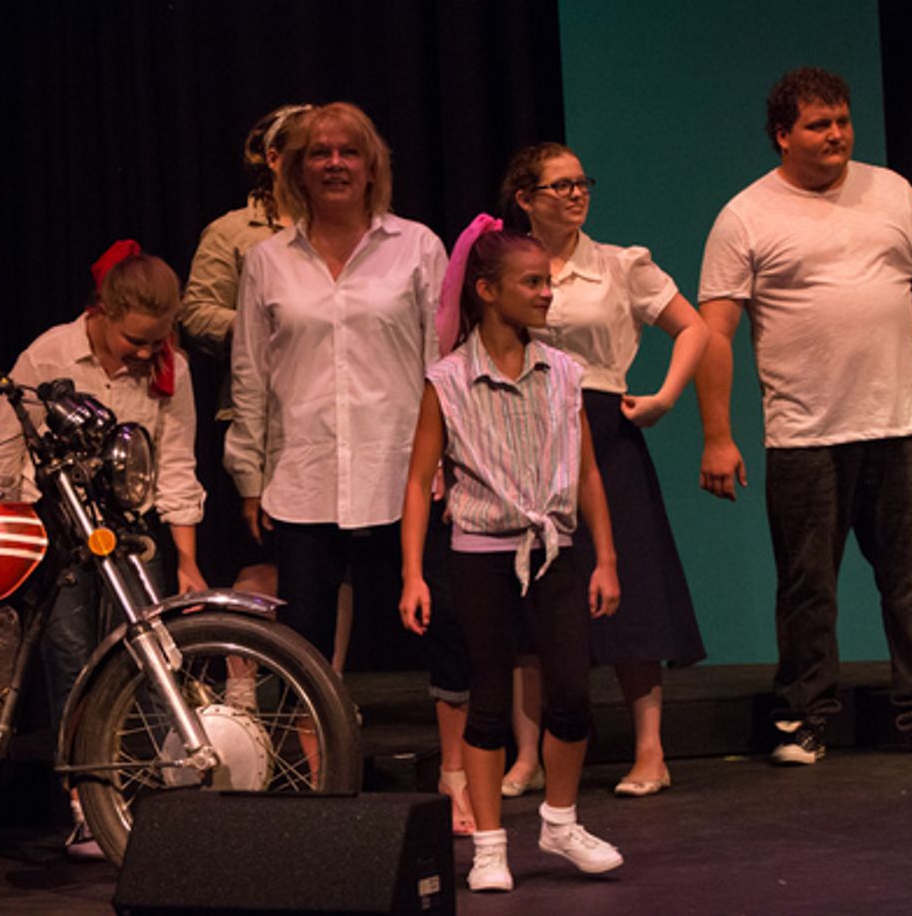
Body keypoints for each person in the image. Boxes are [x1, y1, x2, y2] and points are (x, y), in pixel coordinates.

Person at [695, 66, 912, 764]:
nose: (837, 135)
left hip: (902, 425)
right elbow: (714, 332)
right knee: (808, 585)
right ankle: (803, 715)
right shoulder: (746, 215)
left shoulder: (893, 192)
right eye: (820, 125)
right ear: (783, 136)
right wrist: (718, 434)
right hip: (806, 434)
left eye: (844, 121)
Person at [401, 220, 624, 892]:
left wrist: (606, 557)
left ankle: (559, 819)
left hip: (553, 551)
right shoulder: (448, 379)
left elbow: (586, 473)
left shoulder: (563, 372)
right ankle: (491, 845)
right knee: (489, 699)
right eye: (532, 282)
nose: (546, 294)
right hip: (479, 554)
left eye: (548, 282)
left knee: (572, 692)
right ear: (487, 290)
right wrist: (413, 572)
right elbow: (417, 481)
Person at [0, 242, 206, 856]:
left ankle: (181, 796)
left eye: (155, 342)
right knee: (71, 661)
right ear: (103, 312)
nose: (143, 353)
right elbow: (5, 450)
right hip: (59, 526)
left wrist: (185, 558)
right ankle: (85, 803)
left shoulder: (170, 368)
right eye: (134, 340)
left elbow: (176, 464)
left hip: (129, 526)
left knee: (155, 652)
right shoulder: (49, 354)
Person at [496, 143, 709, 798]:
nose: (574, 194)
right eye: (558, 186)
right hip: (526, 429)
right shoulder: (504, 265)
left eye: (580, 182)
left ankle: (651, 750)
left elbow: (694, 327)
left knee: (630, 587)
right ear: (525, 198)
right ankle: (528, 755)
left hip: (603, 424)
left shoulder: (620, 264)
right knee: (529, 591)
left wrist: (666, 397)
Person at [225, 100, 446, 670]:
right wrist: (251, 475)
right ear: (296, 170)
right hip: (306, 478)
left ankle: (453, 763)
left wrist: (447, 460)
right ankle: (321, 761)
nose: (335, 163)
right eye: (319, 153)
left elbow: (442, 364)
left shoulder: (417, 246)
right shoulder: (267, 261)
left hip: (403, 473)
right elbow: (251, 373)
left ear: (372, 166)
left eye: (349, 151)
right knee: (306, 644)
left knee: (442, 637)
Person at [181, 103, 308, 604]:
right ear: (274, 159)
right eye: (305, 153)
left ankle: (326, 680)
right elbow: (195, 312)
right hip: (256, 416)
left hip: (319, 411)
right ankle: (241, 684)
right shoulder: (234, 231)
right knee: (263, 558)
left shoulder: (339, 231)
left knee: (328, 563)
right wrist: (255, 327)